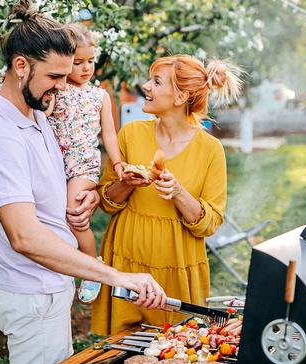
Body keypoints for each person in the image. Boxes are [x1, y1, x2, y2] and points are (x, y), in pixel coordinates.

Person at [0, 1, 166, 364]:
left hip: (53, 284)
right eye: (55, 78)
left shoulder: (34, 108)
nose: (62, 88)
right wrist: (118, 277)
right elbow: (23, 237)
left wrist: (80, 200)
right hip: (31, 292)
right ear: (20, 66)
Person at [91, 55, 242, 335]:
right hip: (125, 260)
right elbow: (107, 203)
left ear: (180, 96)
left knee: (174, 349)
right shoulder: (131, 134)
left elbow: (209, 223)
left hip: (177, 267)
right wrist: (126, 183)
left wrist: (178, 193)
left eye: (156, 82)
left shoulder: (210, 150)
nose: (146, 86)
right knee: (123, 350)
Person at [46, 23, 124, 304]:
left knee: (74, 214)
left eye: (90, 61)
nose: (86, 68)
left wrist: (117, 165)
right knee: (54, 218)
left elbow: (109, 134)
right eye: (78, 62)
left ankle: (92, 268)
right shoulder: (56, 90)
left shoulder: (99, 96)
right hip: (54, 163)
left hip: (82, 165)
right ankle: (65, 265)